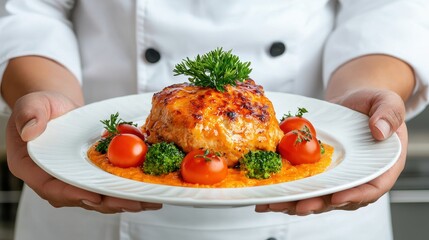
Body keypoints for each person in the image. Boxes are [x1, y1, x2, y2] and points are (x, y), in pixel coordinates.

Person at [0, 0, 428, 239]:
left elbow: (387, 10)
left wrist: (362, 96)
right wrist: (50, 106)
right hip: (91, 207)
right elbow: (29, 9)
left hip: (321, 210)